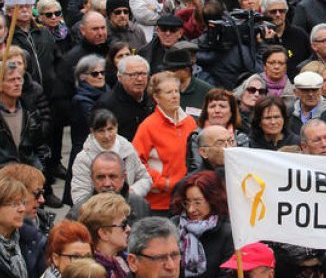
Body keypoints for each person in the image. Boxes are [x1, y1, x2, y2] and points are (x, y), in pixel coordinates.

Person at [132, 70, 197, 215]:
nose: (175, 96)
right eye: (169, 92)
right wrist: (164, 183)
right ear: (156, 97)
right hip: (158, 204)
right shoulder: (148, 126)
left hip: (186, 201)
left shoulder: (190, 122)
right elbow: (135, 163)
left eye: (176, 91)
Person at [171, 171, 234, 278]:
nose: (191, 209)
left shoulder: (227, 233)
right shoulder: (174, 226)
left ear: (213, 200)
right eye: (187, 202)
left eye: (197, 202)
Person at [78, 192, 133, 278]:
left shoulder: (125, 259)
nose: (129, 229)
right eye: (123, 225)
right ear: (104, 233)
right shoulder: (91, 273)